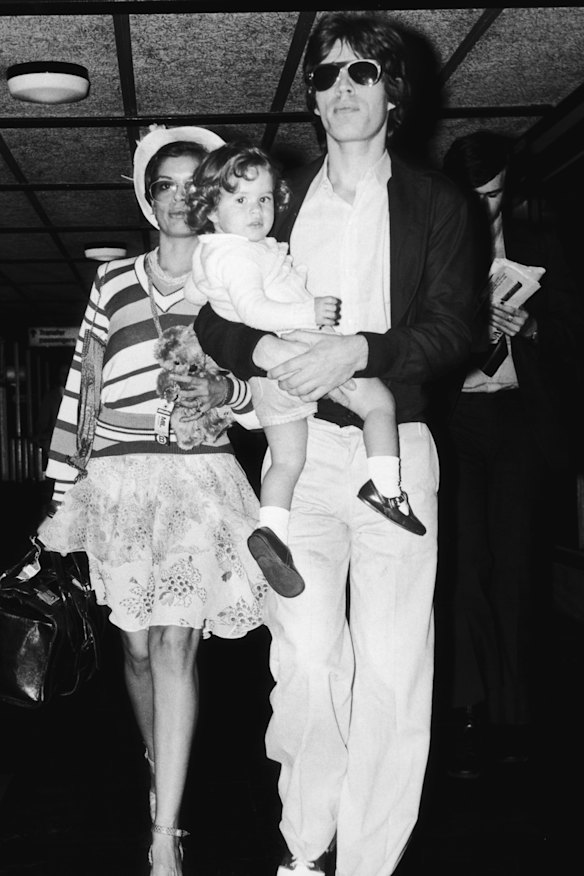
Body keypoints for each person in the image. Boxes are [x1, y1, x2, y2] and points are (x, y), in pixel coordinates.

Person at [194, 12, 476, 876]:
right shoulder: (277, 199)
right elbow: (215, 312)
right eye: (326, 76)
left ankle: (365, 864)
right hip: (302, 455)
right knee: (309, 662)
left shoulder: (438, 202)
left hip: (397, 448)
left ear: (394, 90)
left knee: (392, 673)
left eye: (363, 73)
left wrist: (361, 350)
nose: (342, 88)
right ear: (312, 99)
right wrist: (271, 350)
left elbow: (454, 327)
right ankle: (305, 846)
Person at [38, 125, 267, 876]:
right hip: (120, 480)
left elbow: (267, 389)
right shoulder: (113, 283)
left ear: (210, 194)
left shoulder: (236, 277)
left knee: (176, 641)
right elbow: (87, 381)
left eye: (191, 184)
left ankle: (163, 832)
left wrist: (227, 389)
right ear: (147, 196)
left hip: (199, 476)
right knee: (135, 651)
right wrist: (62, 491)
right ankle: (157, 756)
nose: (177, 198)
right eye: (163, 185)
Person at [185, 142, 425, 598]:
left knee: (288, 460)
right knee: (380, 402)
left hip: (268, 374)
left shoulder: (213, 253)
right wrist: (309, 309)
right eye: (239, 200)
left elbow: (201, 299)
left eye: (264, 198)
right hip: (298, 345)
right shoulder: (240, 255)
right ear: (211, 209)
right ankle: (388, 489)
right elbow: (254, 308)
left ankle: (271, 530)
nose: (257, 211)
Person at [438, 130, 582, 777]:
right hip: (456, 417)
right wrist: (470, 328)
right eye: (473, 197)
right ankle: (469, 712)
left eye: (493, 196)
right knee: (466, 569)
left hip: (519, 418)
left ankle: (513, 717)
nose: (484, 209)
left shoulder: (541, 245)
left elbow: (576, 332)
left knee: (516, 570)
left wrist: (533, 326)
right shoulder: (436, 246)